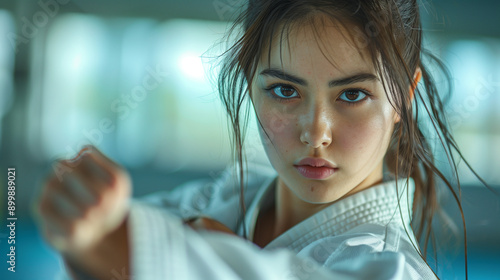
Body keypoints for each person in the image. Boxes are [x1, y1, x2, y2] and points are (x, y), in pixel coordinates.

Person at [33, 0, 486, 279]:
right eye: (284, 91)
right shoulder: (224, 196)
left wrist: (194, 246)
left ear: (403, 98)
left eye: (352, 95)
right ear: (250, 84)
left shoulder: (391, 271)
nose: (315, 133)